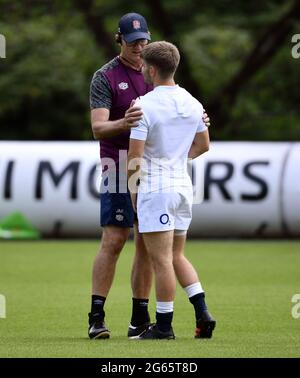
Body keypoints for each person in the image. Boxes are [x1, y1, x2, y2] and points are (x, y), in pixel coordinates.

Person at [89, 13, 211, 339]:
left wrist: (194, 123)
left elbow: (179, 118)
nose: (139, 47)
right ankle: (97, 316)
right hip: (119, 163)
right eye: (133, 43)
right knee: (115, 240)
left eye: (143, 40)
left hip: (153, 171)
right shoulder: (106, 77)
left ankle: (139, 319)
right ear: (120, 41)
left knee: (147, 245)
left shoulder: (155, 69)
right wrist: (125, 123)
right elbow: (98, 128)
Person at [128, 41, 216, 339]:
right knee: (177, 255)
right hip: (182, 187)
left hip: (157, 189)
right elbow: (204, 145)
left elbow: (134, 157)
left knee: (161, 260)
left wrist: (133, 195)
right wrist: (179, 158)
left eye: (144, 66)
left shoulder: (143, 104)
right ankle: (202, 312)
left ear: (152, 69)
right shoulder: (193, 102)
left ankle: (163, 326)